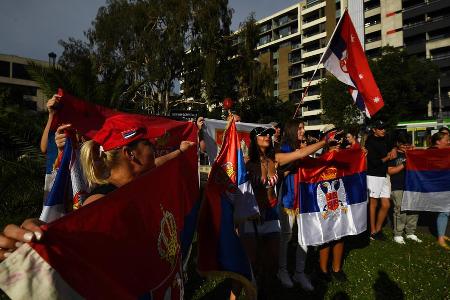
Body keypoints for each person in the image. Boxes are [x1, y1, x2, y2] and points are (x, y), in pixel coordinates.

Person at [0, 114, 195, 260]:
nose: (154, 148)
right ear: (130, 154)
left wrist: (180, 151)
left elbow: (159, 162)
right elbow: (74, 243)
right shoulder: (100, 202)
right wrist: (39, 237)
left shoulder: (137, 183)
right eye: (148, 143)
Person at [241, 125, 335, 295]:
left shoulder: (275, 159)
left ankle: (265, 290)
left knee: (272, 261)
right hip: (253, 217)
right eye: (263, 135)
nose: (268, 137)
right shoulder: (247, 162)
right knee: (253, 261)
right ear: (254, 140)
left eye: (269, 135)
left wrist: (324, 142)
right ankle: (252, 290)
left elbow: (299, 154)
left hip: (272, 214)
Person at [277, 119, 314, 291]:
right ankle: (282, 270)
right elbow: (280, 170)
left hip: (304, 198)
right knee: (286, 236)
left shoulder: (305, 147)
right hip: (288, 198)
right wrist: (296, 157)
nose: (303, 130)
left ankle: (299, 272)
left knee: (304, 236)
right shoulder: (284, 148)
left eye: (303, 127)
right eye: (299, 128)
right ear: (292, 130)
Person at [317, 129, 348, 283]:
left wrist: (361, 155)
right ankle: (322, 270)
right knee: (326, 236)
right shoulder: (319, 158)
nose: (338, 144)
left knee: (340, 234)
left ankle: (337, 268)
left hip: (340, 202)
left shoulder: (345, 158)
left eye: (340, 141)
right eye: (334, 141)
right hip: (325, 203)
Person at [365, 120, 397, 240]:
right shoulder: (370, 142)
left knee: (386, 204)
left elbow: (394, 140)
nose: (383, 130)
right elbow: (374, 163)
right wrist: (387, 157)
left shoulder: (386, 137)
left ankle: (378, 229)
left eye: (384, 128)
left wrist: (393, 148)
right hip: (373, 176)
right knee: (373, 204)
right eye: (380, 128)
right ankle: (372, 231)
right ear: (374, 130)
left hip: (383, 175)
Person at [388, 133, 422, 244]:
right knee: (400, 209)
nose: (405, 147)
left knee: (413, 209)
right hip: (398, 185)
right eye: (403, 145)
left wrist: (413, 153)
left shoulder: (412, 153)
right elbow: (390, 171)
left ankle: (410, 232)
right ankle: (398, 234)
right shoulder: (393, 154)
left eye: (407, 145)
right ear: (397, 143)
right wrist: (404, 164)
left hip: (413, 186)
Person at [430, 131, 450, 249]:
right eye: (446, 140)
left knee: (445, 212)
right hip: (438, 188)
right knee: (444, 211)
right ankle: (440, 238)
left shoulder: (444, 152)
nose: (448, 142)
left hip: (444, 186)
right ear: (438, 142)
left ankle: (441, 234)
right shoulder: (431, 152)